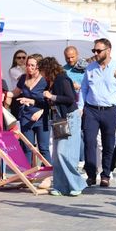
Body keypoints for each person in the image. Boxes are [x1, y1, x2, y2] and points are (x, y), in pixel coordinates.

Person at [80, 38, 116, 187]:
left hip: (110, 111)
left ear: (108, 50)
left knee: (108, 144)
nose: (96, 53)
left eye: (99, 50)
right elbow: (84, 89)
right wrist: (81, 107)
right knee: (89, 141)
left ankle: (106, 174)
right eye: (94, 50)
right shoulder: (90, 68)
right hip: (91, 110)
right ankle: (91, 175)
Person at [40, 57, 87, 196]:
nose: (41, 74)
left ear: (48, 69)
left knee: (65, 153)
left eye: (42, 70)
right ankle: (60, 186)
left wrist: (52, 96)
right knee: (57, 155)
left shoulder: (62, 79)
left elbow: (70, 98)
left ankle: (76, 184)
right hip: (59, 119)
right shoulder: (52, 81)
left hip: (69, 118)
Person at [6, 55, 51, 165]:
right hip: (26, 116)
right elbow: (16, 92)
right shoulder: (23, 78)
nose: (29, 67)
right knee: (27, 147)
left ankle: (49, 175)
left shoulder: (45, 79)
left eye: (32, 65)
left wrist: (40, 112)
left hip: (42, 116)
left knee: (43, 148)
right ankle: (28, 176)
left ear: (38, 67)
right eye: (27, 65)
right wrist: (4, 94)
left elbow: (50, 100)